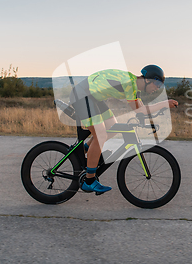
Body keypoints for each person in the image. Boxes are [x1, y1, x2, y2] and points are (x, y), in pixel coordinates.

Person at [69, 65, 178, 194]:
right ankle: (89, 181)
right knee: (100, 135)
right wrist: (164, 103)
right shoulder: (129, 83)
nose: (158, 89)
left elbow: (140, 107)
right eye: (158, 84)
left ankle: (84, 150)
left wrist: (149, 121)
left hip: (92, 97)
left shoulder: (132, 84)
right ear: (148, 80)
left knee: (113, 127)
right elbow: (139, 109)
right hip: (82, 96)